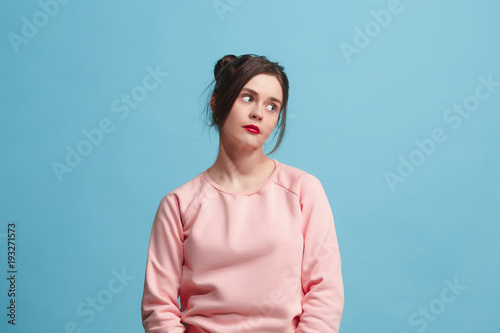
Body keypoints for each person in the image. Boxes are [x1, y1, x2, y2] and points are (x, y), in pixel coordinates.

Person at [141, 54, 344, 332]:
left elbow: (325, 293)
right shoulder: (178, 204)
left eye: (272, 106)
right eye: (248, 98)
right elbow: (158, 308)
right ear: (216, 103)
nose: (259, 113)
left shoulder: (303, 191)